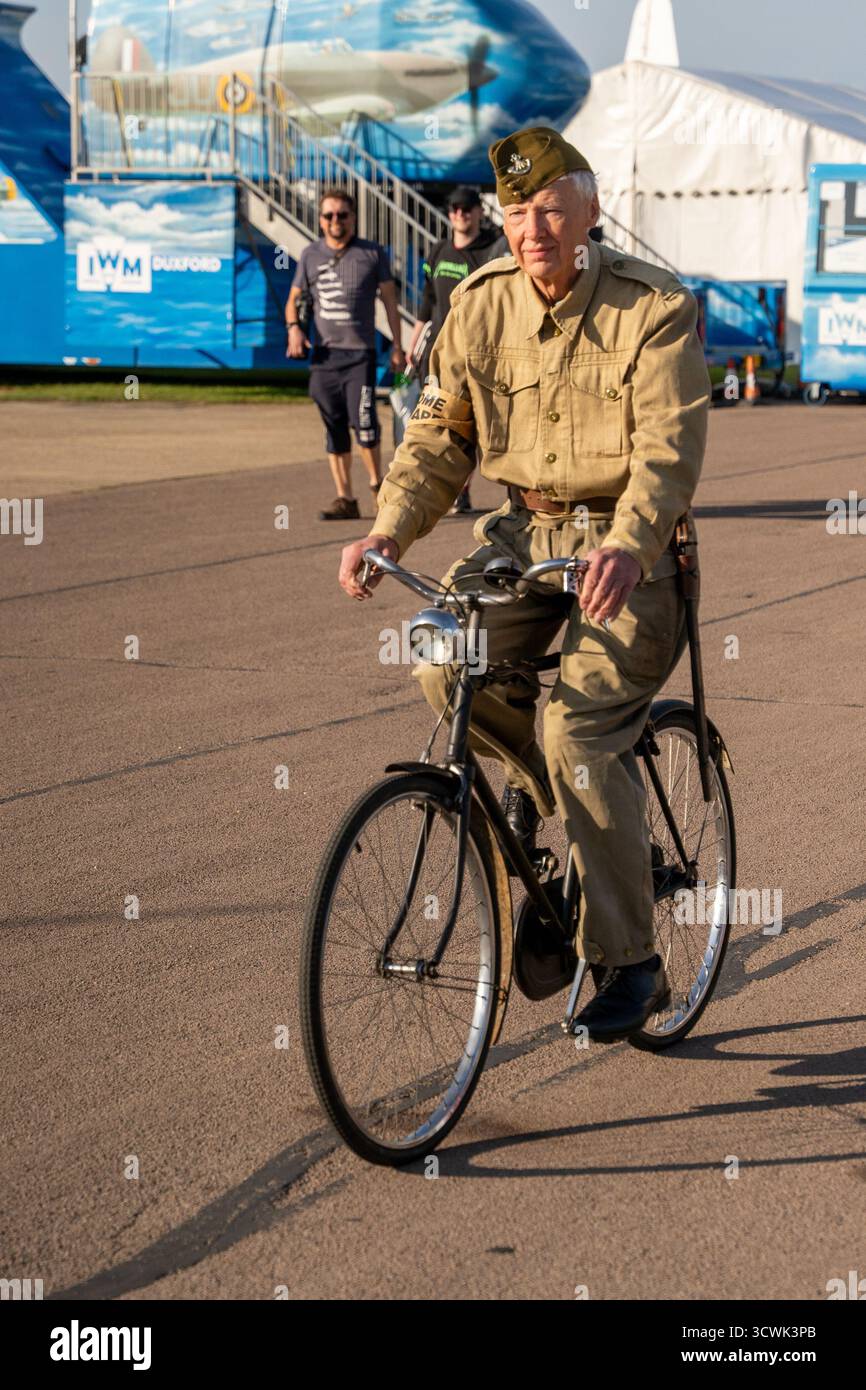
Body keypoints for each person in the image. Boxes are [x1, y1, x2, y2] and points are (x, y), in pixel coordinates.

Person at [338, 127, 710, 1042]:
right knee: (437, 655)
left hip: (632, 551)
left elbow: (667, 455)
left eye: (549, 208)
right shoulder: (480, 303)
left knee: (574, 723)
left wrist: (628, 545)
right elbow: (437, 437)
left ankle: (632, 962)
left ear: (587, 210)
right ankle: (574, 810)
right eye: (515, 212)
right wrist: (386, 529)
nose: (531, 228)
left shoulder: (651, 305)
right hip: (521, 532)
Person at [286, 188, 406, 520]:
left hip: (360, 355)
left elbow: (391, 303)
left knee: (365, 424)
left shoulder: (371, 253)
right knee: (334, 425)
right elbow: (293, 299)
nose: (335, 221)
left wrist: (397, 346)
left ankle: (377, 487)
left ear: (353, 218)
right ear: (321, 220)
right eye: (328, 215)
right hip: (325, 357)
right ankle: (345, 498)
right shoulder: (310, 255)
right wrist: (294, 328)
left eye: (342, 215)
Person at [406, 186, 503, 514]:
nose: (460, 214)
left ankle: (462, 488)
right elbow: (428, 299)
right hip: (437, 349)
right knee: (437, 420)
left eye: (466, 208)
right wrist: (415, 339)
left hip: (474, 347)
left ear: (478, 211)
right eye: (454, 208)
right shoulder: (438, 250)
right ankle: (438, 487)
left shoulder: (489, 250)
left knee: (469, 422)